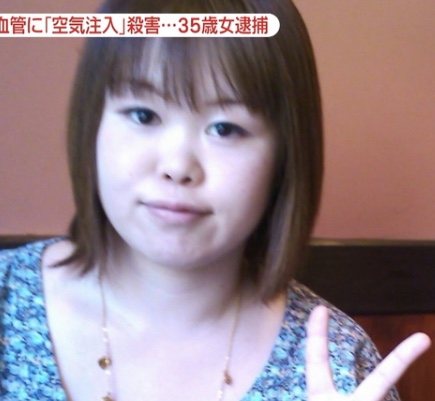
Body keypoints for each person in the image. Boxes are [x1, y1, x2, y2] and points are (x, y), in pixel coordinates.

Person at [0, 0, 430, 400]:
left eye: (225, 128)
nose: (177, 166)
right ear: (92, 124)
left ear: (285, 157)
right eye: (143, 115)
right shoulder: (8, 296)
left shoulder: (339, 361)